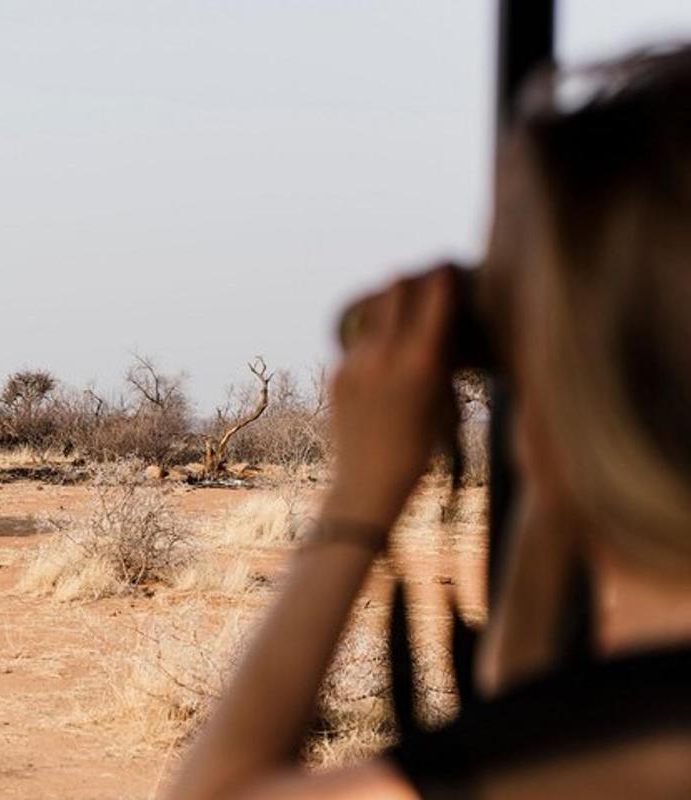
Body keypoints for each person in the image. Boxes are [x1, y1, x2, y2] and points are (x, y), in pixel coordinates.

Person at [164, 45, 691, 800]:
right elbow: (528, 702)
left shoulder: (637, 741)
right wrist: (553, 463)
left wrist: (360, 499)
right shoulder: (601, 728)